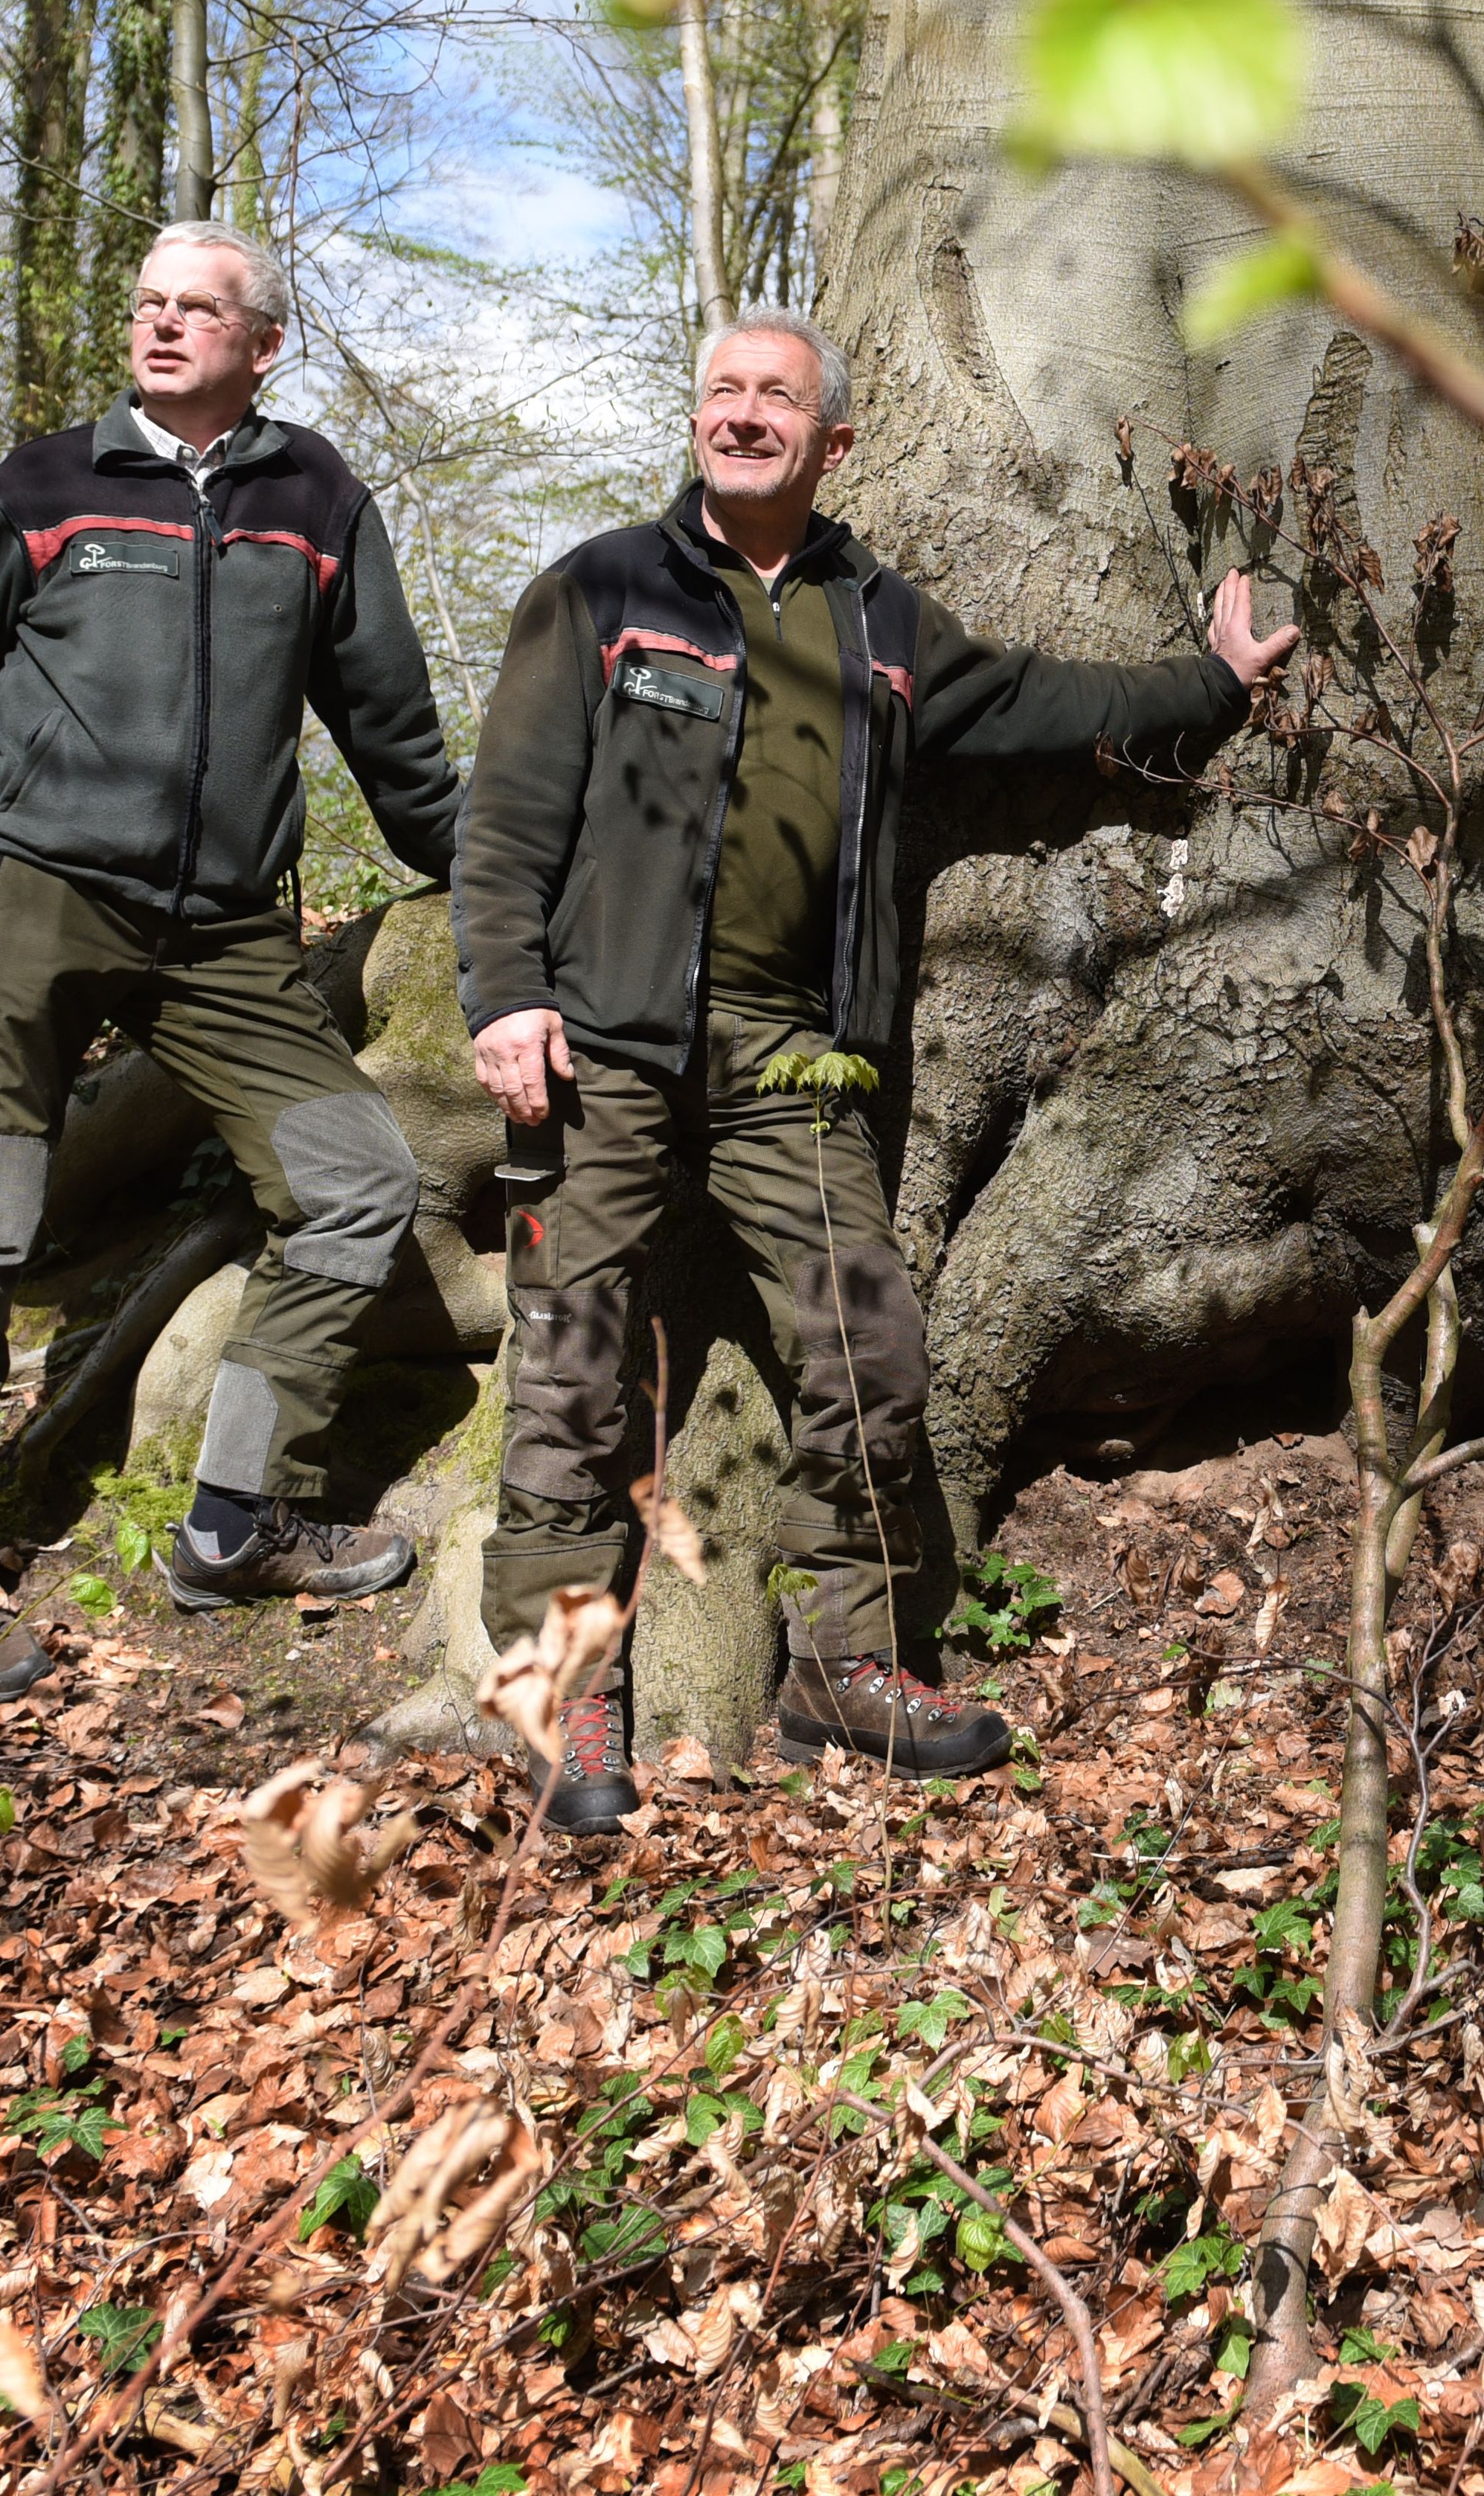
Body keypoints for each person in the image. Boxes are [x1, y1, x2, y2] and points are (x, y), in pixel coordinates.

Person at [454, 307, 1297, 1825]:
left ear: (834, 439)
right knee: (572, 1374)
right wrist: (505, 994)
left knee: (871, 1350)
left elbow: (1053, 701)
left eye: (776, 396)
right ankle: (566, 1706)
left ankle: (837, 1670)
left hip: (794, 1054)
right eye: (722, 390)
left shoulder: (878, 620)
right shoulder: (600, 590)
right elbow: (508, 809)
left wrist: (1217, 682)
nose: (743, 413)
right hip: (605, 1043)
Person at [0, 219, 465, 1701]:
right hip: (22, 899)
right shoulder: (39, 487)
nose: (166, 325)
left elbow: (389, 726)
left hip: (225, 932)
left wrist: (497, 880)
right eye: (149, 304)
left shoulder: (319, 497)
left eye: (202, 308)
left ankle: (238, 1516)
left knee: (355, 1176)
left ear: (265, 343)